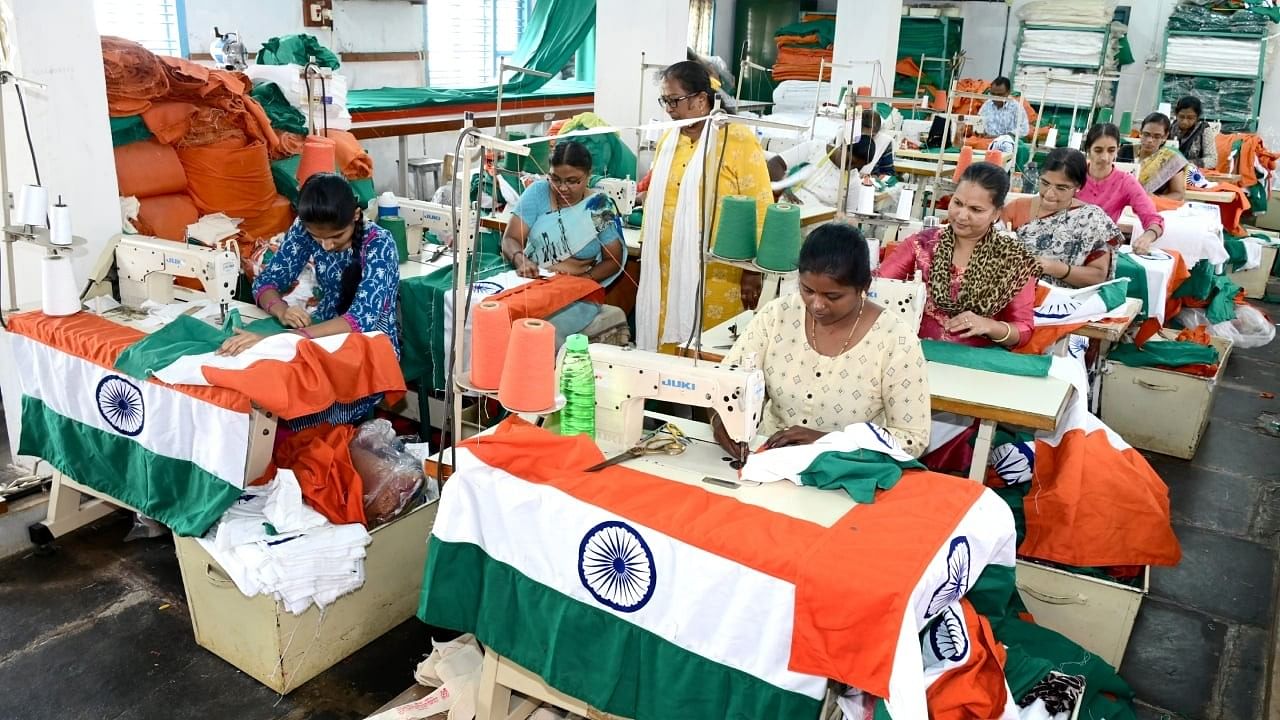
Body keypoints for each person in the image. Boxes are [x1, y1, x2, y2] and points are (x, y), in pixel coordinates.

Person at [713, 223, 930, 458]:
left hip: (844, 472)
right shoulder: (777, 316)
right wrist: (719, 422)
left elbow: (912, 439)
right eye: (807, 290)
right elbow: (725, 383)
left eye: (832, 296)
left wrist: (832, 441)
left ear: (863, 287)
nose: (817, 305)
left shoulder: (896, 341)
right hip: (767, 455)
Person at [221, 172, 401, 428]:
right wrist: (281, 309)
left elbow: (358, 320)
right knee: (266, 376)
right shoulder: (305, 230)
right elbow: (267, 282)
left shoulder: (380, 245)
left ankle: (306, 441)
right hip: (323, 330)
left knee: (301, 396)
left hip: (370, 345)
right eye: (318, 239)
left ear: (356, 216)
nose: (326, 246)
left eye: (336, 237)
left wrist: (283, 339)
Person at [637, 60, 772, 353]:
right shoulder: (669, 139)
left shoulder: (736, 140)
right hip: (665, 269)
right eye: (665, 101)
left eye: (675, 100)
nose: (669, 109)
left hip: (717, 270)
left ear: (701, 100)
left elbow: (760, 206)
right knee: (667, 340)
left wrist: (752, 270)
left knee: (707, 346)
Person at [877, 162, 1039, 348]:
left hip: (974, 363)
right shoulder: (920, 246)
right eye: (958, 203)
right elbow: (877, 287)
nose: (962, 215)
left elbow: (1024, 331)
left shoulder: (1013, 260)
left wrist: (989, 325)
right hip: (916, 353)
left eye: (975, 210)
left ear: (996, 213)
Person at [500, 140, 625, 286]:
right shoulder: (537, 192)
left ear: (588, 175)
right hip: (533, 282)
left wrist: (581, 282)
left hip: (577, 290)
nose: (563, 188)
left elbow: (612, 261)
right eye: (556, 179)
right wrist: (521, 261)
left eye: (572, 181)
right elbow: (510, 239)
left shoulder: (599, 207)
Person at [1003, 147, 1122, 288]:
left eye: (1061, 188)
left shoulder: (1091, 219)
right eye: (1045, 183)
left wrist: (1052, 267)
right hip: (1011, 297)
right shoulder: (1017, 208)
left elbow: (1097, 276)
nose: (1049, 194)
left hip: (1064, 303)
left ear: (1078, 186)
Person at [1077, 123, 1164, 254]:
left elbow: (1153, 219)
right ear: (1088, 149)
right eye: (1098, 150)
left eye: (1111, 150)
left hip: (1101, 252)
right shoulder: (1074, 175)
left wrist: (1147, 237)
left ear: (1118, 149)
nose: (1105, 157)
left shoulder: (1125, 182)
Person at [767, 134, 877, 208]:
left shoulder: (853, 181)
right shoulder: (815, 148)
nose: (850, 168)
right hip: (789, 209)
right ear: (843, 147)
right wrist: (785, 189)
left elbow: (850, 216)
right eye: (850, 161)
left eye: (858, 167)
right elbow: (775, 163)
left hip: (818, 227)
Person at [1129, 112, 1188, 201]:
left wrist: (1154, 199)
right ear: (1140, 132)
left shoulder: (1171, 160)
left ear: (1165, 136)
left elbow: (1178, 194)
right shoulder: (1125, 151)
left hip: (1153, 207)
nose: (1149, 140)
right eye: (1146, 134)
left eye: (1156, 136)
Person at [1173, 96, 1218, 171]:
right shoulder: (1171, 127)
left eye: (1190, 118)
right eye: (1181, 117)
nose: (1185, 121)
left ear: (1197, 117)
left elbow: (1212, 160)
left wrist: (1189, 163)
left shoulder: (1204, 130)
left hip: (1194, 173)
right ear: (1176, 114)